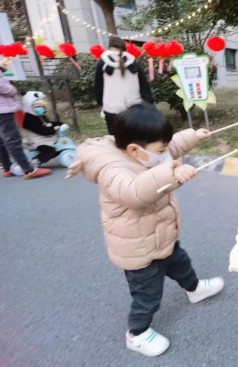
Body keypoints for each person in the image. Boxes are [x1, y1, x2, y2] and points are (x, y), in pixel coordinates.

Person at [66, 103, 224, 357]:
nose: (166, 154)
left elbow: (168, 148)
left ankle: (195, 289)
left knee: (181, 263)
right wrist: (172, 174)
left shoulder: (145, 151)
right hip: (139, 249)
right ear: (133, 150)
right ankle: (137, 333)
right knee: (147, 294)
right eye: (160, 150)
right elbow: (135, 193)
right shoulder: (112, 170)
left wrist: (193, 136)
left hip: (162, 236)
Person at [0, 57, 51, 179]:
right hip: (3, 110)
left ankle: (7, 168)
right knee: (12, 140)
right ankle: (28, 170)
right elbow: (6, 89)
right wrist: (12, 88)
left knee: (2, 140)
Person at [94, 37, 153, 135]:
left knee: (116, 138)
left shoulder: (103, 62)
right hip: (134, 107)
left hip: (111, 108)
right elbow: (143, 83)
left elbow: (98, 86)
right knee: (135, 136)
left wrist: (100, 102)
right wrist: (148, 101)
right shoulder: (132, 60)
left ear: (109, 46)